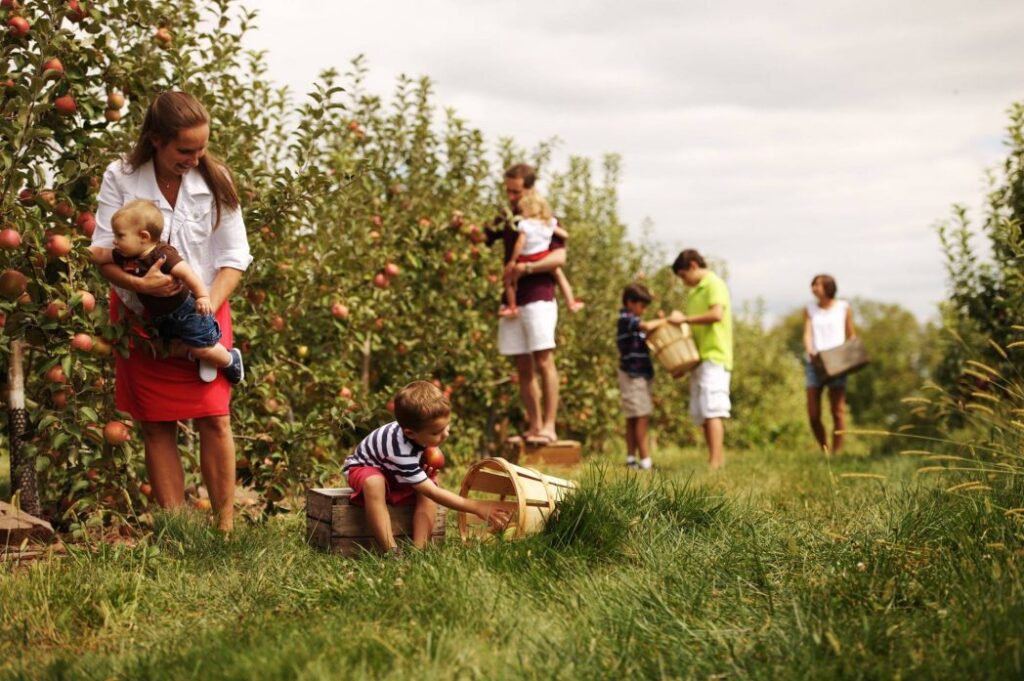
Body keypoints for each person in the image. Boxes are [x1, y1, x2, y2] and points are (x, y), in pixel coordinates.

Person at [92, 91, 252, 532]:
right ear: (157, 140)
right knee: (156, 424)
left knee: (216, 417)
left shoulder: (216, 178)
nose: (195, 157)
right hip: (141, 315)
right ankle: (175, 528)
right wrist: (139, 285)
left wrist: (199, 316)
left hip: (205, 304)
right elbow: (104, 254)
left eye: (201, 147)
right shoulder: (122, 177)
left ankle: (224, 526)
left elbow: (234, 257)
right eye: (185, 149)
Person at [342, 381, 510, 553]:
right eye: (436, 432)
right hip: (365, 468)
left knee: (427, 487)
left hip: (395, 474)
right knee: (375, 483)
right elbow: (433, 493)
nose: (445, 435)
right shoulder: (399, 450)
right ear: (410, 433)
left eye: (446, 427)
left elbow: (428, 489)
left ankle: (419, 550)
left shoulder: (418, 433)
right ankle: (390, 550)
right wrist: (475, 506)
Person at [89, 200, 244, 384]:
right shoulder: (124, 255)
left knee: (201, 348)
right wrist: (75, 253)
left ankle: (229, 359)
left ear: (143, 236)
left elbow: (188, 275)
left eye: (120, 235)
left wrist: (202, 296)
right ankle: (198, 351)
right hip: (162, 317)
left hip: (189, 313)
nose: (114, 240)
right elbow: (100, 254)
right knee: (166, 346)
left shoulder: (163, 254)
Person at [485, 163, 565, 444]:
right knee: (522, 365)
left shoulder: (545, 218)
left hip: (539, 296)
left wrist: (526, 269)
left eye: (516, 191)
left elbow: (559, 259)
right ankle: (535, 425)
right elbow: (482, 237)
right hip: (512, 299)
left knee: (544, 360)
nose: (511, 197)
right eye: (508, 191)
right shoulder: (507, 217)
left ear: (529, 188)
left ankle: (550, 426)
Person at [667, 249, 732, 469]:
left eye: (684, 276)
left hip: (715, 355)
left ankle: (716, 463)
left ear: (693, 266)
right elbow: (693, 333)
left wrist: (684, 318)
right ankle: (713, 459)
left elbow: (716, 315)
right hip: (700, 358)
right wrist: (684, 365)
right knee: (703, 411)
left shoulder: (714, 284)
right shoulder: (694, 293)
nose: (684, 282)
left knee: (713, 408)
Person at [499, 191, 583, 318]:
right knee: (559, 275)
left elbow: (519, 244)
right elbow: (565, 235)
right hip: (543, 256)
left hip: (526, 257)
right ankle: (571, 302)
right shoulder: (548, 222)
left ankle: (512, 306)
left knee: (509, 280)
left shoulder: (525, 224)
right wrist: (552, 229)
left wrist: (513, 260)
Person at [803, 274, 856, 453]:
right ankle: (824, 447)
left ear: (828, 287)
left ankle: (837, 452)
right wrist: (809, 349)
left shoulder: (843, 307)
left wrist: (853, 355)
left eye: (818, 285)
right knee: (813, 413)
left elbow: (851, 334)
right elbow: (807, 333)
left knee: (837, 410)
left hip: (837, 362)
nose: (814, 288)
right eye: (813, 285)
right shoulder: (809, 309)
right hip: (815, 363)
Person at [617, 283, 666, 470]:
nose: (643, 310)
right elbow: (645, 325)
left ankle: (631, 459)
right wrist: (666, 321)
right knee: (641, 416)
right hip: (633, 374)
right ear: (630, 302)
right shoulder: (626, 318)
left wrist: (659, 322)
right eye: (642, 306)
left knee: (633, 417)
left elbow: (646, 331)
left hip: (636, 373)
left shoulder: (632, 322)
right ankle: (646, 461)